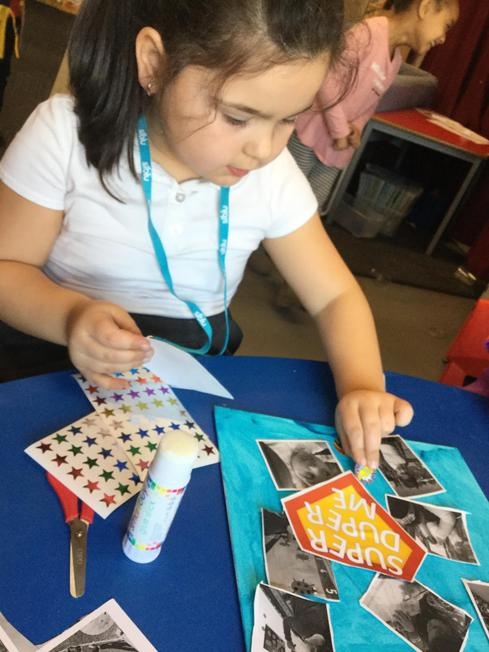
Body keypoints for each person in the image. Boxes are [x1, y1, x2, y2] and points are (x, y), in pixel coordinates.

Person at [0, 0, 413, 469]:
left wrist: (362, 385)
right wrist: (71, 316)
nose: (263, 149)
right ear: (154, 63)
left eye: (288, 119)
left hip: (188, 373)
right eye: (237, 117)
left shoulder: (272, 175)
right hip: (53, 355)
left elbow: (335, 295)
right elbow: (7, 269)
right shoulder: (67, 135)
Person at [289, 0, 460, 213]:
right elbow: (326, 79)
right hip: (309, 136)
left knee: (309, 210)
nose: (443, 38)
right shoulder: (366, 33)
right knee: (282, 198)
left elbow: (371, 103)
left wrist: (357, 126)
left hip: (336, 151)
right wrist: (339, 129)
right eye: (446, 25)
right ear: (425, 8)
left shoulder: (395, 61)